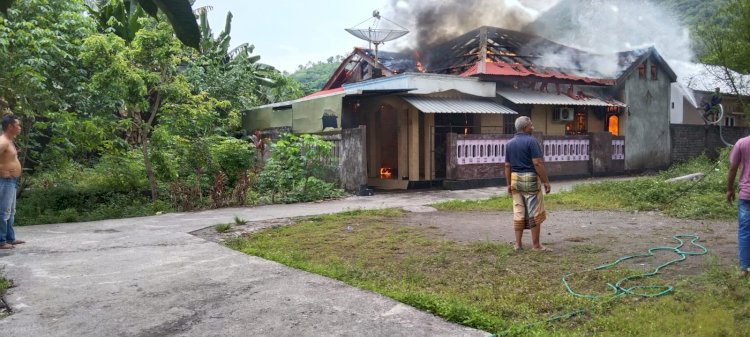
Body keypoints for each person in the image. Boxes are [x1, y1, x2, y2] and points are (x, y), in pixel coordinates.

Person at [504, 116, 551, 251]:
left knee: (518, 211)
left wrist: (508, 184)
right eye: (531, 125)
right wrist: (546, 181)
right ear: (525, 128)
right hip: (530, 179)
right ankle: (536, 245)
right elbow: (537, 163)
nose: (533, 127)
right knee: (535, 212)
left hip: (515, 180)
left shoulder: (509, 143)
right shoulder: (532, 141)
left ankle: (518, 244)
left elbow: (507, 166)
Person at [727, 135, 750, 277]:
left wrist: (729, 189)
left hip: (747, 195)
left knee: (745, 231)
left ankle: (744, 268)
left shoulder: (741, 143)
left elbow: (733, 168)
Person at [0, 115, 23, 249]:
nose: (19, 128)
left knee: (10, 211)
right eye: (18, 125)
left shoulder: (9, 141)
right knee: (3, 212)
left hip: (12, 181)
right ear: (10, 127)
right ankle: (1, 241)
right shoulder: (3, 141)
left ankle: (10, 238)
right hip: (4, 181)